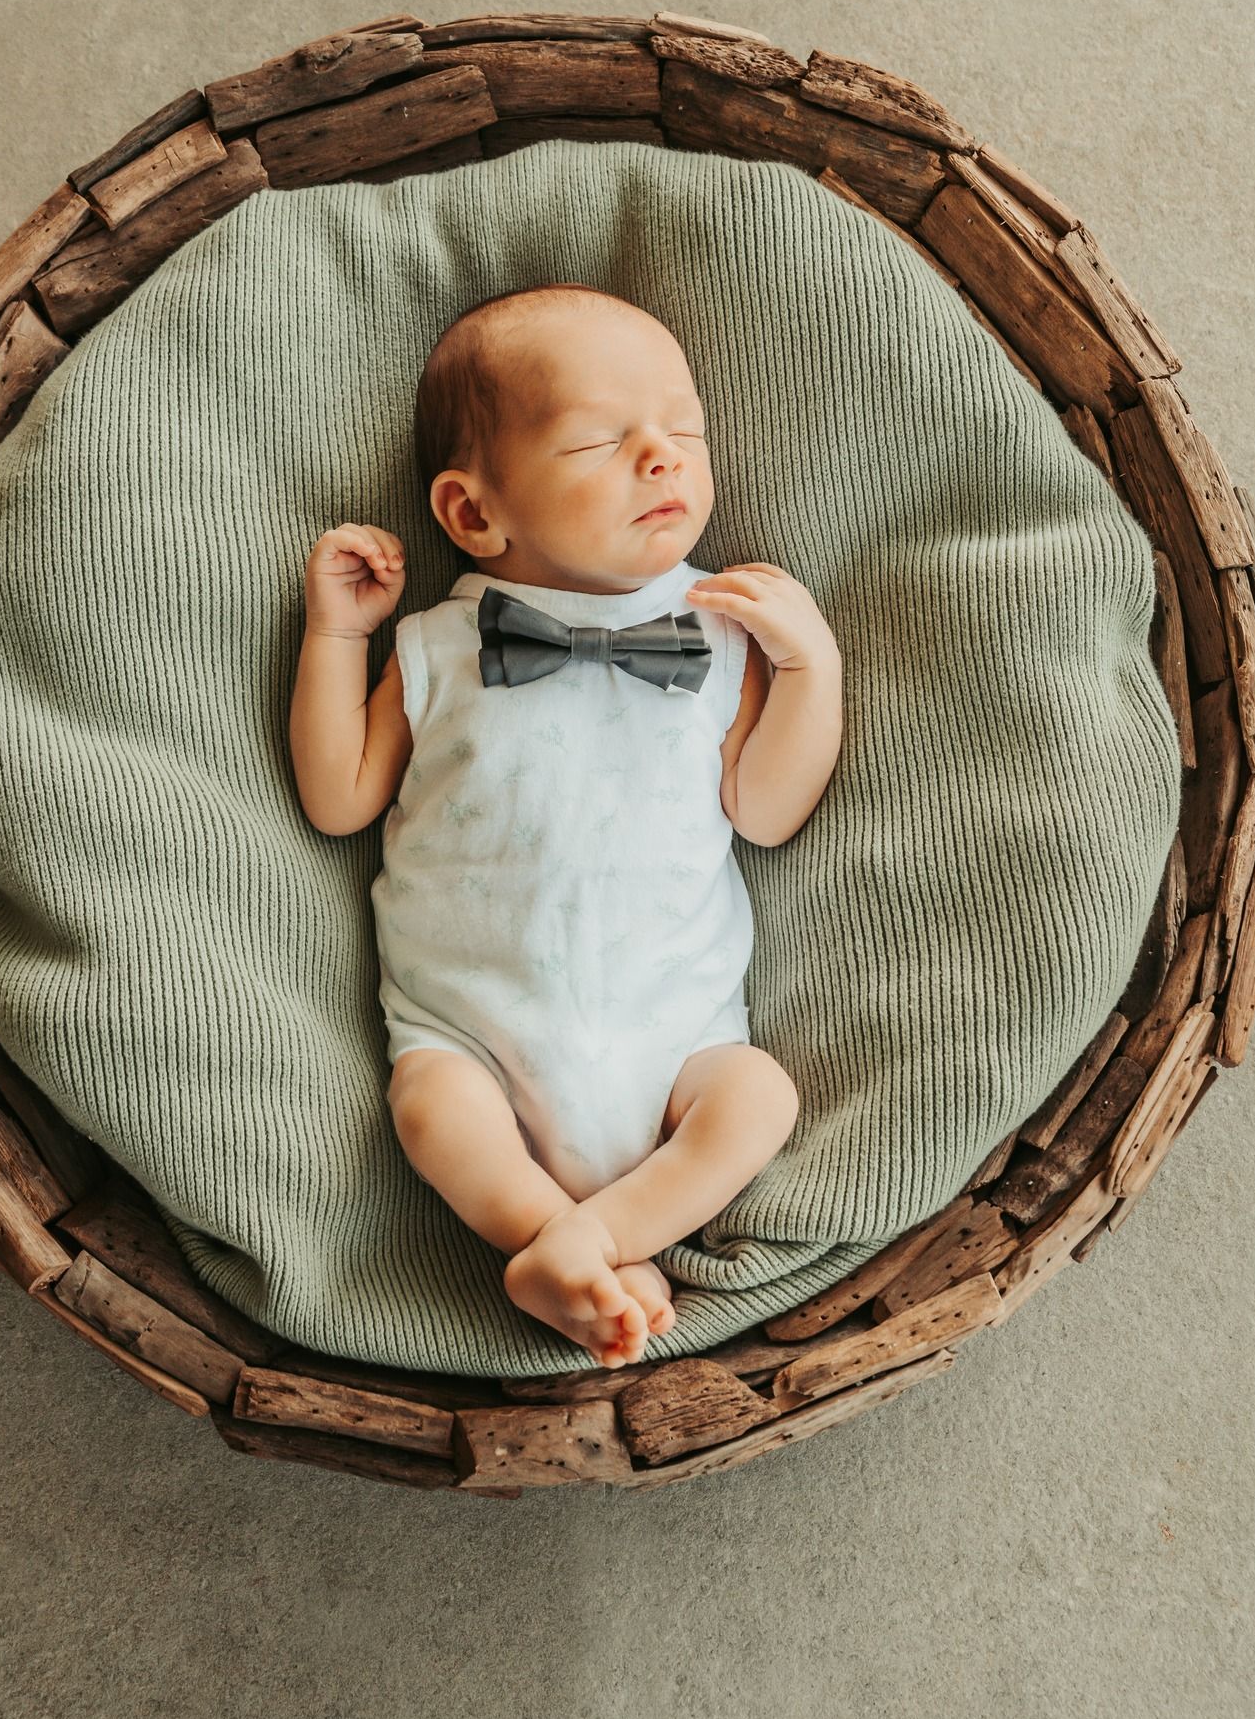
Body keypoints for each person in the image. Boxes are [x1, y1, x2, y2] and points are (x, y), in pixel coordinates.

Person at [290, 284, 844, 1368]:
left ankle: (592, 1237)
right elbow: (338, 795)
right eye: (601, 438)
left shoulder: (719, 630)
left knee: (758, 1097)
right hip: (472, 1029)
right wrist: (331, 636)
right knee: (430, 1108)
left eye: (682, 429)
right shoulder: (435, 647)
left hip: (674, 1031)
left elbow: (768, 812)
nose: (663, 457)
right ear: (472, 513)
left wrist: (806, 666)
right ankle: (556, 1241)